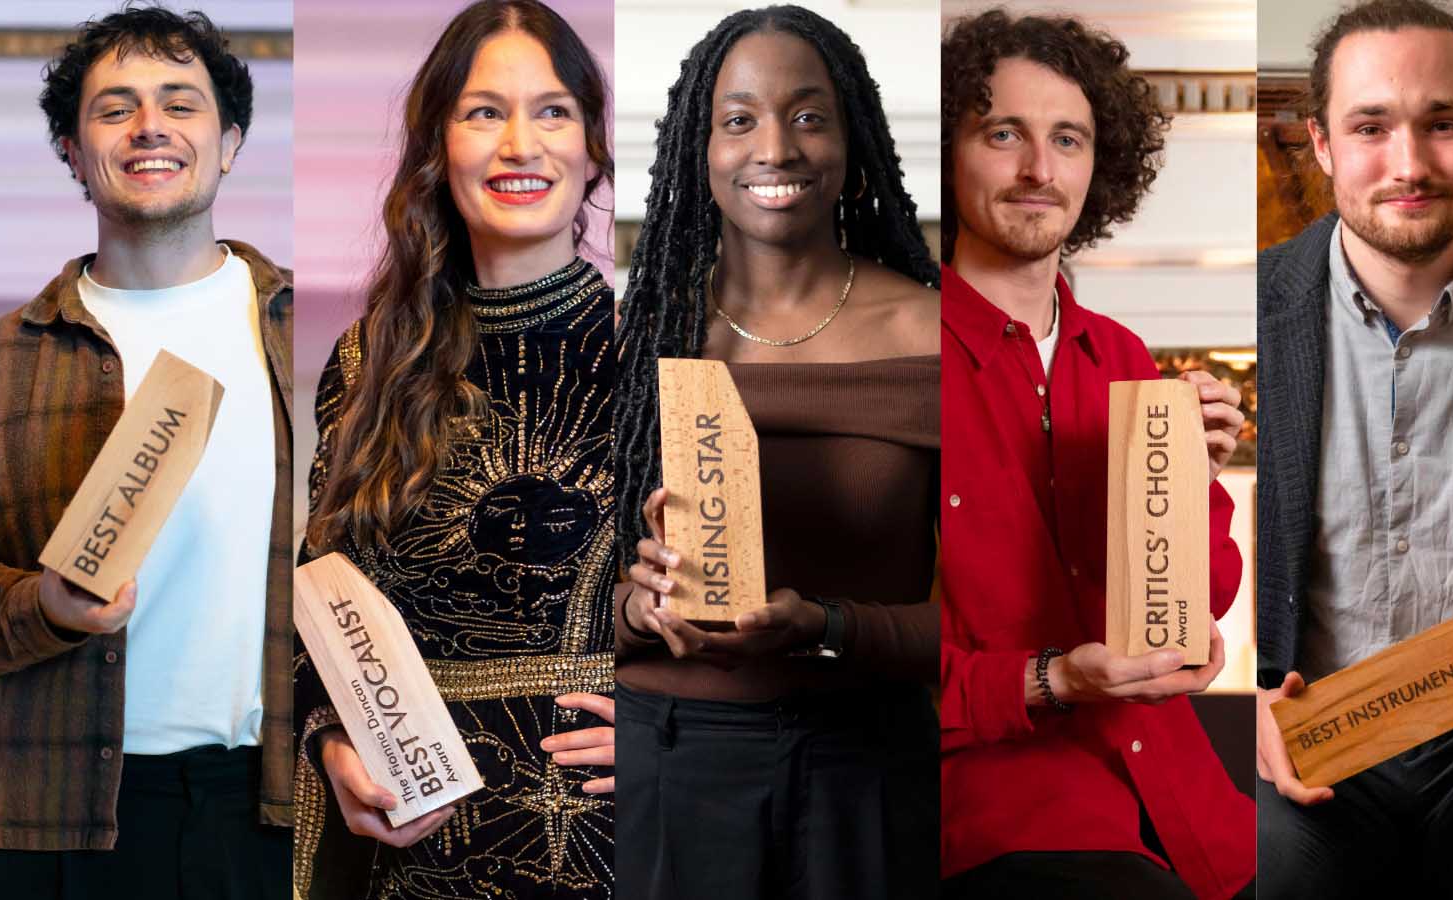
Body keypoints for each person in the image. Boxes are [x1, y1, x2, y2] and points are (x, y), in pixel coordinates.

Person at [611, 6, 941, 898]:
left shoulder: (938, 334)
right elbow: (559, 603)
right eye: (739, 118)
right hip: (671, 758)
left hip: (867, 762)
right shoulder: (641, 334)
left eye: (807, 115)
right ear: (699, 146)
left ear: (852, 139)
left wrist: (829, 625)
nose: (776, 149)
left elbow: (996, 621)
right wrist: (637, 608)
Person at [294, 2, 617, 898]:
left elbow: (743, 617)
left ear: (594, 146)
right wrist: (329, 739)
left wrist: (682, 734)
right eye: (484, 113)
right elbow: (316, 592)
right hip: (401, 840)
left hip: (604, 836)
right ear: (439, 147)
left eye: (553, 111)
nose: (521, 143)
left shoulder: (669, 352)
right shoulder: (368, 359)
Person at [1256, 1, 1453, 896]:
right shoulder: (1243, 321)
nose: (1409, 164)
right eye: (1371, 126)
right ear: (1321, 142)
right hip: (1303, 756)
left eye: (1442, 124)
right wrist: (1243, 707)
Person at [0, 7, 293, 899]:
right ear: (74, 154)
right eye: (115, 108)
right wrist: (41, 605)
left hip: (264, 809)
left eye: (180, 104)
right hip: (41, 822)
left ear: (228, 143)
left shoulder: (321, 341)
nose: (150, 125)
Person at [937, 10, 1255, 900]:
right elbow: (850, 660)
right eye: (1005, 133)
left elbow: (1201, 593)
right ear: (949, 154)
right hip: (995, 810)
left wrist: (1197, 481)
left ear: (1097, 164)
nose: (1040, 169)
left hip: (1187, 800)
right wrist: (1051, 680)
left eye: (1067, 139)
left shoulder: (1121, 355)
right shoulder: (891, 361)